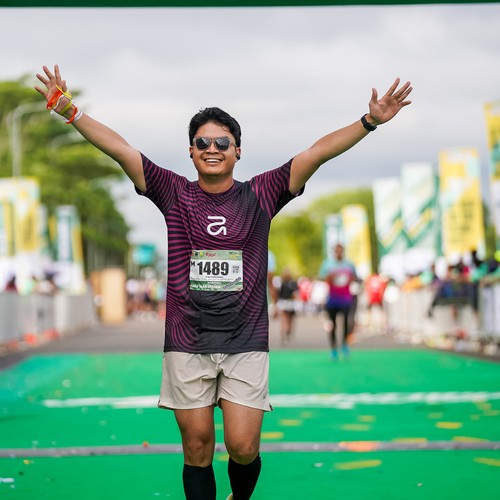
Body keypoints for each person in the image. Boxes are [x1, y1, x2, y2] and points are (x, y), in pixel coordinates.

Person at [35, 65, 412, 500]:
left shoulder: (263, 193)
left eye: (222, 143)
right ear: (191, 151)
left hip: (245, 340)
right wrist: (70, 111)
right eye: (202, 143)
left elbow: (316, 154)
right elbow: (121, 150)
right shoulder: (173, 192)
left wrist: (368, 122)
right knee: (197, 448)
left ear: (237, 151)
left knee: (243, 446)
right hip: (187, 340)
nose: (211, 149)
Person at [319, 243, 359, 360]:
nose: (338, 253)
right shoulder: (327, 264)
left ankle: (345, 344)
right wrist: (329, 277)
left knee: (347, 322)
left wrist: (351, 279)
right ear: (334, 251)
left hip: (346, 299)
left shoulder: (349, 265)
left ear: (343, 251)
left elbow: (355, 278)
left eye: (340, 250)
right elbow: (321, 278)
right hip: (332, 299)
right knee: (332, 325)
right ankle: (333, 348)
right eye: (336, 250)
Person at [276, 268, 299, 345]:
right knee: (289, 319)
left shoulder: (282, 284)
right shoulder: (292, 283)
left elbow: (278, 294)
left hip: (283, 302)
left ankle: (284, 333)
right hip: (290, 302)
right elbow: (295, 294)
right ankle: (287, 332)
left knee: (284, 319)